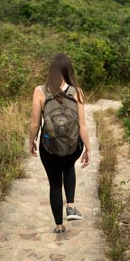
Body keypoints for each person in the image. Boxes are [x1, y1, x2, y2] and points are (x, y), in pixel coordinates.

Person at [29, 53, 90, 233]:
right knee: (69, 164)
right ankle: (70, 205)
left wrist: (31, 141)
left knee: (55, 183)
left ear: (52, 71)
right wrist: (88, 148)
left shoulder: (40, 91)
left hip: (49, 148)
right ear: (68, 70)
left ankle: (59, 225)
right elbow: (82, 125)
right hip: (73, 147)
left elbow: (34, 123)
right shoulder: (77, 91)